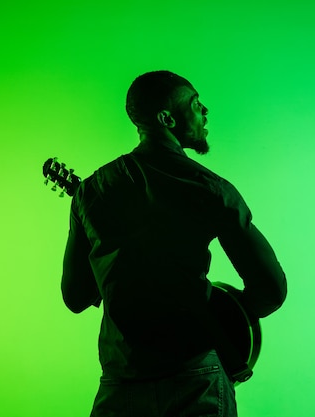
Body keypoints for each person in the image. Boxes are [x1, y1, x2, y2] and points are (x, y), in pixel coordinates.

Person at [61, 70, 287, 417]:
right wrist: (222, 318)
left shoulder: (91, 191)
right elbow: (271, 290)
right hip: (196, 382)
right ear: (167, 119)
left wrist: (121, 279)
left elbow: (76, 297)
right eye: (196, 104)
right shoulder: (210, 189)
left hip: (121, 384)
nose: (205, 111)